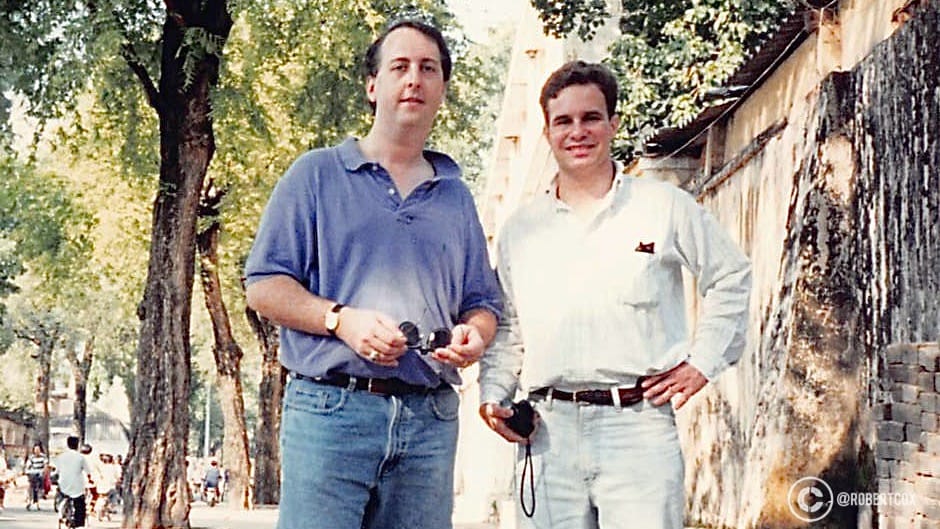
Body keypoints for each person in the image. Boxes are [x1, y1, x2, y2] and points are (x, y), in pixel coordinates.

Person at [244, 18, 502, 529]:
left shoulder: (456, 196)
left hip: (430, 422)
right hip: (330, 413)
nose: (414, 80)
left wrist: (476, 336)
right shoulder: (314, 175)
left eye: (428, 69)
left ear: (442, 90)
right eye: (400, 67)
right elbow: (264, 287)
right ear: (372, 85)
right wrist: (341, 320)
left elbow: (483, 302)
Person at [479, 60, 752, 529]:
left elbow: (730, 276)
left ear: (613, 124)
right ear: (547, 132)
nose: (577, 132)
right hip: (547, 433)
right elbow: (509, 327)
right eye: (563, 121)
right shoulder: (520, 230)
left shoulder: (663, 207)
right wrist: (493, 393)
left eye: (590, 118)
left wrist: (703, 362)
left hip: (639, 432)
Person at [55, 436, 93, 528]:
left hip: (63, 485)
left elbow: (57, 471)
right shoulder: (81, 457)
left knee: (60, 496)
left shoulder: (60, 457)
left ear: (67, 445)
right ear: (77, 445)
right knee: (80, 505)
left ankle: (61, 513)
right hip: (77, 488)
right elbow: (88, 472)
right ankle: (79, 523)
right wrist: (90, 479)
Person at [24, 443, 48, 510]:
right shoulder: (31, 457)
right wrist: (27, 470)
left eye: (38, 449)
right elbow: (28, 465)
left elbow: (45, 465)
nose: (37, 451)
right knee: (31, 487)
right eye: (35, 449)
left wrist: (44, 472)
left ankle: (37, 502)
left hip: (40, 474)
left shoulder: (43, 457)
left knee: (38, 488)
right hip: (33, 474)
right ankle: (29, 500)